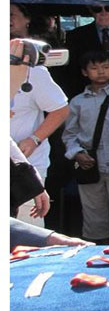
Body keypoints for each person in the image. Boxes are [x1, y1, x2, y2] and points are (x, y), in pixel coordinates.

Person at [62, 51, 109, 244]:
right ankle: (95, 249)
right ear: (84, 72)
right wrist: (77, 154)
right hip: (90, 165)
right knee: (93, 214)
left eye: (105, 67)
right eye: (94, 68)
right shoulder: (77, 102)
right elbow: (69, 134)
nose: (101, 72)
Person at [10, 37, 70, 227]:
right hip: (19, 165)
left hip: (26, 166)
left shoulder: (34, 71)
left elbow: (60, 109)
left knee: (27, 235)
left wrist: (34, 139)